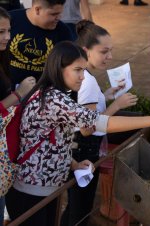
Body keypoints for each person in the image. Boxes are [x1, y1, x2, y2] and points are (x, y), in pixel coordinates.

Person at [5, 41, 150, 226]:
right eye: (77, 70)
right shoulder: (53, 100)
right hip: (31, 192)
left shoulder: (51, 94)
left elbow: (52, 141)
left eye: (83, 70)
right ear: (59, 68)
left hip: (42, 190)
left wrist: (73, 164)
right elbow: (100, 123)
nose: (82, 77)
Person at [60, 20, 138, 226]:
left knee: (74, 207)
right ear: (86, 50)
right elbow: (87, 128)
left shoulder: (80, 75)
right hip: (84, 151)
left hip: (75, 149)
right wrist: (117, 105)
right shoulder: (88, 81)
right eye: (104, 51)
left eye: (111, 51)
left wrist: (106, 95)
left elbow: (83, 112)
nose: (110, 57)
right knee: (80, 211)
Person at [0, 6, 35, 226]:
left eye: (8, 30)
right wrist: (18, 94)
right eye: (1, 32)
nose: (8, 37)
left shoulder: (4, 55)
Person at [7, 0, 73, 90]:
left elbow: (67, 66)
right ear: (37, 10)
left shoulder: (63, 32)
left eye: (60, 13)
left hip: (42, 93)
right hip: (6, 92)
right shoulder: (10, 20)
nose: (58, 18)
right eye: (54, 14)